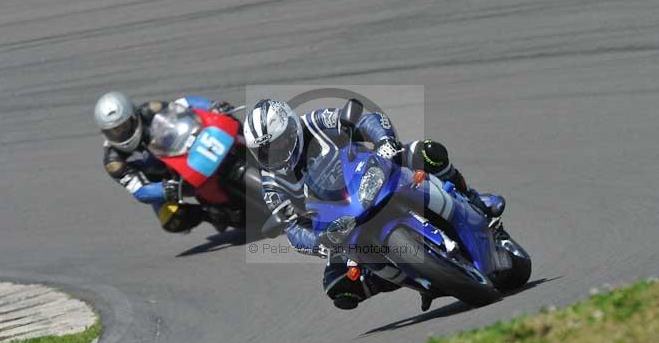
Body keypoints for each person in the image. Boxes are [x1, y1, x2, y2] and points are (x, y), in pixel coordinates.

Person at [243, 99, 505, 311]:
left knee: (426, 151)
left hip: (372, 173)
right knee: (338, 286)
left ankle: (473, 198)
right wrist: (319, 242)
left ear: (291, 129)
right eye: (263, 151)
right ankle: (394, 277)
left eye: (277, 144)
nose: (272, 154)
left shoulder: (314, 122)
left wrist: (385, 142)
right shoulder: (271, 184)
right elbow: (291, 228)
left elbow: (364, 118)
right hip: (341, 222)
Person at [94, 91, 235, 233]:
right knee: (171, 219)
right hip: (165, 181)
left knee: (226, 118)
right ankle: (211, 214)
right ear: (105, 133)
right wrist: (164, 189)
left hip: (182, 152)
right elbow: (139, 190)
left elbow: (184, 104)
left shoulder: (149, 110)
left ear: (134, 116)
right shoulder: (114, 161)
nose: (121, 133)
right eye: (114, 131)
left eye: (124, 126)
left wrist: (211, 106)